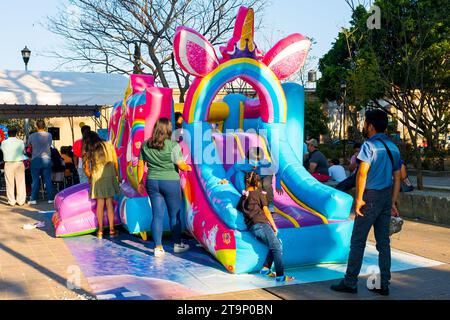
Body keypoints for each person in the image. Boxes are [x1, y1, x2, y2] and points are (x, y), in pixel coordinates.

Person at [331, 109, 401, 296]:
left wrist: (359, 198)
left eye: (365, 123)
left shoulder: (369, 146)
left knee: (358, 241)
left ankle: (350, 282)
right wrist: (393, 201)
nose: (364, 126)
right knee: (383, 243)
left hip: (370, 197)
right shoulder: (394, 147)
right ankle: (384, 283)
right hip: (386, 197)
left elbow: (361, 173)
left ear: (370, 125)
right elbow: (398, 177)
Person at [137, 118, 191, 257]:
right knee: (174, 215)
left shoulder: (145, 145)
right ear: (167, 129)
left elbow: (140, 165)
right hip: (170, 182)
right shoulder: (173, 145)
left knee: (157, 215)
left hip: (152, 182)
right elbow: (181, 165)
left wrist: (139, 182)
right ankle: (178, 244)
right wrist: (188, 167)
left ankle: (158, 247)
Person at [237, 171, 294, 282]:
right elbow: (267, 211)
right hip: (262, 225)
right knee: (277, 247)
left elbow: (239, 208)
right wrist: (274, 226)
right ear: (257, 182)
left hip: (253, 228)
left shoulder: (243, 197)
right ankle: (280, 276)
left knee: (276, 244)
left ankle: (266, 268)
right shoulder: (259, 194)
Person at [220, 146, 283, 212]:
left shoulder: (265, 163)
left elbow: (278, 170)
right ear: (248, 159)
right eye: (253, 163)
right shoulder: (242, 163)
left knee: (266, 184)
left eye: (257, 163)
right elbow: (233, 169)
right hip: (253, 176)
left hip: (265, 175)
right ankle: (245, 192)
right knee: (239, 174)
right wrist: (226, 178)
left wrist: (278, 184)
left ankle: (270, 204)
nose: (255, 166)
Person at [83, 132, 120, 239]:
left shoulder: (90, 149)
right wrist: (118, 175)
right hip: (109, 175)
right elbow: (115, 162)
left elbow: (86, 169)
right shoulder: (109, 145)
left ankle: (100, 231)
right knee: (109, 203)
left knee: (100, 204)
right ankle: (112, 230)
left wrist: (91, 177)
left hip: (97, 177)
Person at [27, 120, 54, 204]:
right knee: (48, 179)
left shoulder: (32, 136)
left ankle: (33, 199)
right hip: (47, 159)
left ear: (36, 126)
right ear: (44, 126)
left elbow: (28, 145)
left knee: (35, 180)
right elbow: (49, 145)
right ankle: (50, 198)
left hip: (36, 159)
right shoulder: (49, 135)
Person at [1, 128, 27, 206]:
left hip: (8, 163)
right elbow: (23, 151)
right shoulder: (21, 142)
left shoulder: (3, 142)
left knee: (9, 183)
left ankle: (11, 201)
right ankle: (21, 201)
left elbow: (2, 150)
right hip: (19, 163)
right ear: (16, 134)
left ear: (8, 134)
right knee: (20, 182)